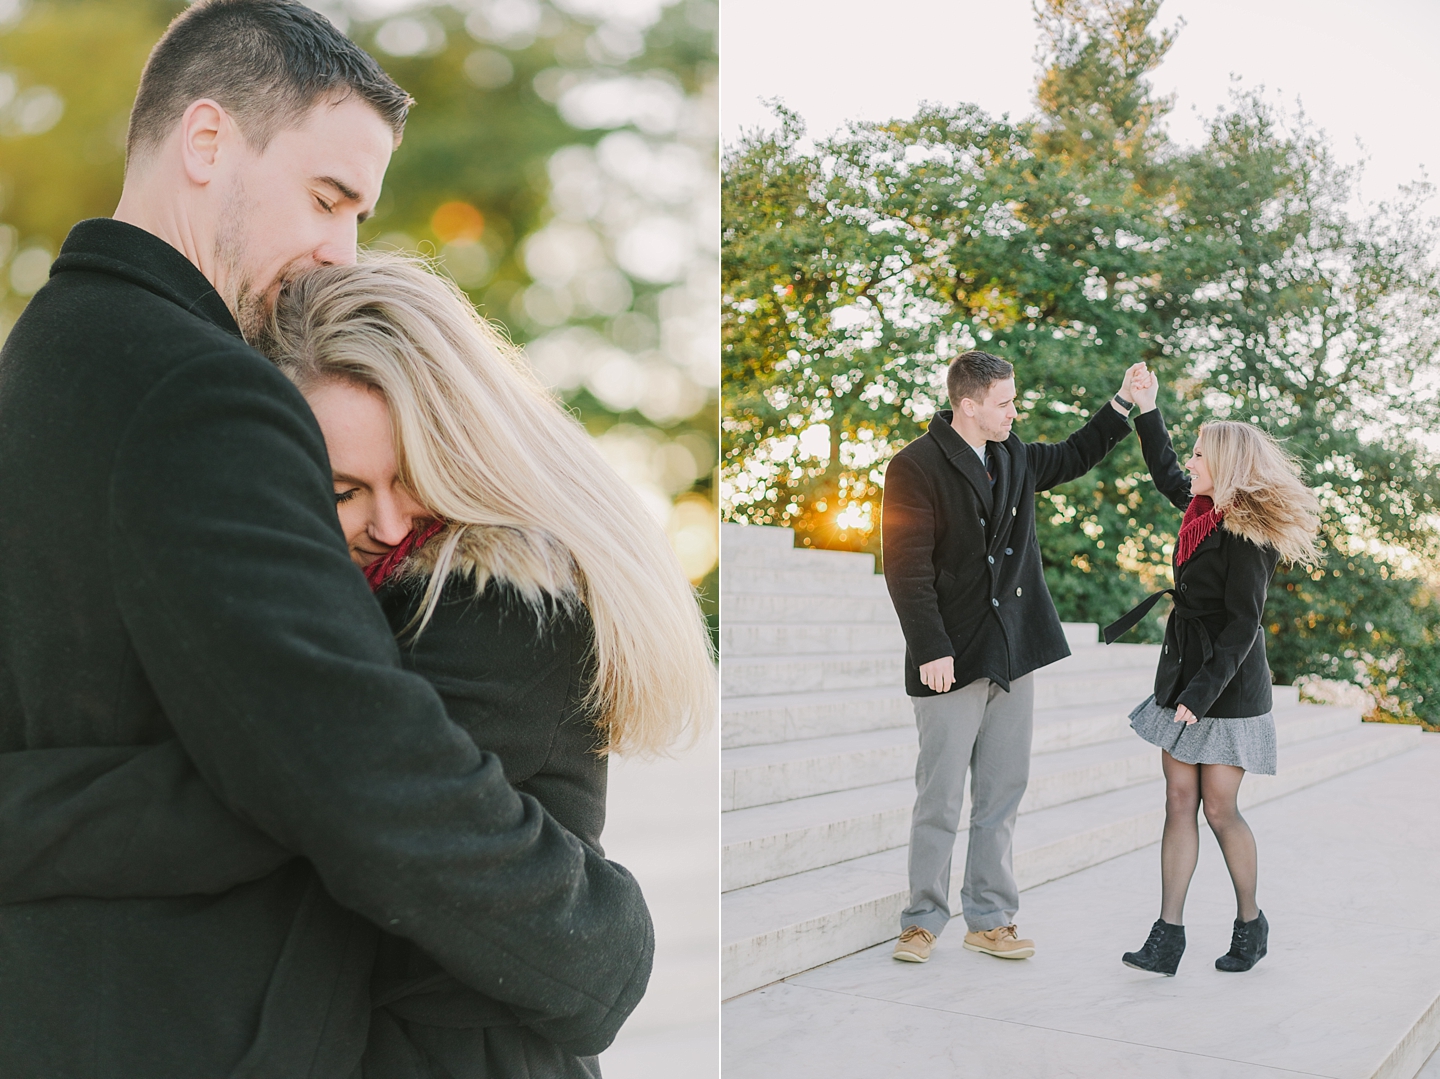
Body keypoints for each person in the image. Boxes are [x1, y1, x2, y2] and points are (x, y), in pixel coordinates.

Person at [0, 2, 653, 1074]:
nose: (335, 252)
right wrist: (599, 943)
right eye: (328, 197)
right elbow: (345, 764)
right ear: (207, 141)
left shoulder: (46, 355)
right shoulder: (201, 388)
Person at [258, 254, 715, 1076]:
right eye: (342, 491)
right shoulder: (386, 592)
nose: (390, 519)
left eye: (411, 474)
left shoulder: (492, 602)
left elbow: (335, 821)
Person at [882, 349, 1144, 963]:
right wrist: (931, 649)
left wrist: (1124, 400)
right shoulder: (914, 466)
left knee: (1002, 792)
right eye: (1004, 402)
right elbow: (906, 566)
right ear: (968, 406)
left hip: (1014, 651)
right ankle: (921, 920)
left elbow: (1078, 452)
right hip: (949, 657)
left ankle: (990, 918)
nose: (1014, 410)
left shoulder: (1014, 455)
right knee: (941, 797)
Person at [1104, 368, 1320, 976]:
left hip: (1227, 685)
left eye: (1201, 454)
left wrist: (1199, 696)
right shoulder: (1200, 508)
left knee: (1219, 807)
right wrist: (1144, 407)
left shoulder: (1248, 534)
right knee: (1178, 800)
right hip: (1182, 674)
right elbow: (1165, 467)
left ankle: (1251, 923)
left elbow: (1242, 626)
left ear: (1223, 464)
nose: (1190, 462)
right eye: (1194, 452)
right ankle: (1166, 936)